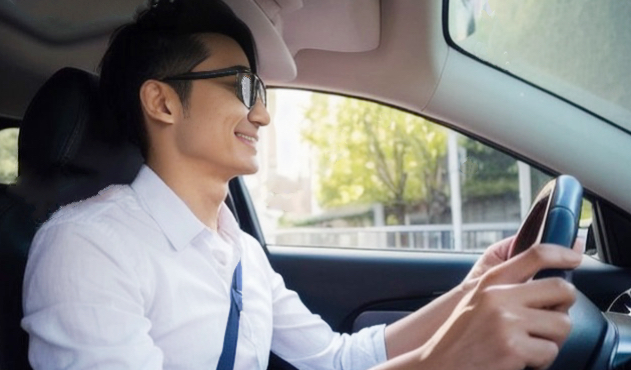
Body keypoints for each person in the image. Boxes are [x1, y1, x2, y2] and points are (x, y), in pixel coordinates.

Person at [21, 1, 582, 369]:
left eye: (262, 93)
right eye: (243, 88)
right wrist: (443, 361)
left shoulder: (238, 251)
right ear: (162, 101)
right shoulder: (88, 247)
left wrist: (472, 289)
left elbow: (336, 359)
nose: (262, 116)